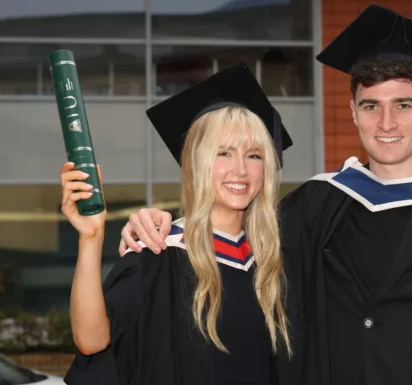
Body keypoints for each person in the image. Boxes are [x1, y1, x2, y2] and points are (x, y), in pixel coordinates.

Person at [117, 4, 412, 385]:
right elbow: (233, 238)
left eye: (403, 105)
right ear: (353, 111)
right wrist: (160, 224)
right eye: (371, 105)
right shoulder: (317, 205)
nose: (386, 123)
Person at [60, 62, 300, 385]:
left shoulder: (276, 265)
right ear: (197, 162)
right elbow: (92, 342)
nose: (240, 170)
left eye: (254, 155)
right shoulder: (161, 253)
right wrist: (91, 238)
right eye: (223, 153)